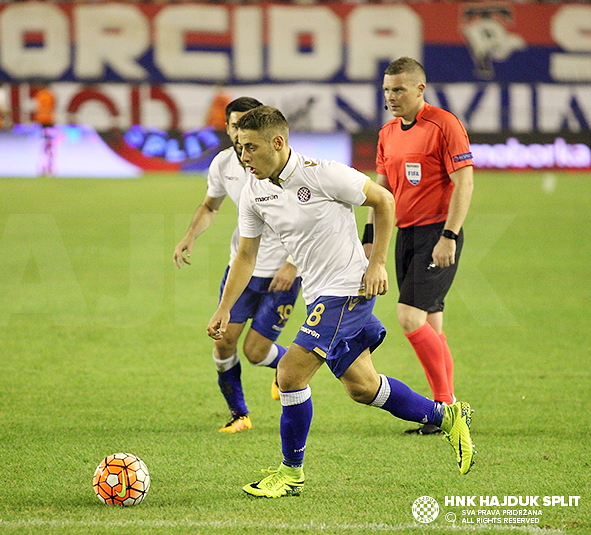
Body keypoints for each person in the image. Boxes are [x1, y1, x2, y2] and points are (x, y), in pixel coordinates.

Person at [207, 106, 475, 498]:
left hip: (348, 287)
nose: (243, 157)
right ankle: (447, 416)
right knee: (363, 387)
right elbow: (245, 256)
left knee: (290, 373)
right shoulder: (254, 189)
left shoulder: (321, 172)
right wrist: (224, 308)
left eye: (250, 147)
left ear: (278, 143)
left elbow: (383, 200)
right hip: (319, 292)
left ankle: (291, 472)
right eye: (239, 147)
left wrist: (377, 263)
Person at [174, 97, 301, 433]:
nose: (239, 134)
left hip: (281, 273)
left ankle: (289, 367)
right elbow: (210, 206)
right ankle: (239, 414)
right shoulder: (223, 165)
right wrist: (190, 236)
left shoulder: (284, 168)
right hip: (243, 267)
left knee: (256, 351)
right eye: (234, 126)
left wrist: (292, 264)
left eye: (247, 125)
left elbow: (309, 222)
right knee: (222, 340)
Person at [365, 57, 474, 435]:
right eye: (386, 90)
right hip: (405, 232)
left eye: (398, 89)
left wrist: (450, 235)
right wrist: (369, 237)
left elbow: (465, 183)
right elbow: (380, 192)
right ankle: (447, 408)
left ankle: (445, 408)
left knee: (409, 316)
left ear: (419, 89)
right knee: (431, 322)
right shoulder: (387, 132)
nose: (390, 97)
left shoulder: (445, 125)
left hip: (437, 233)